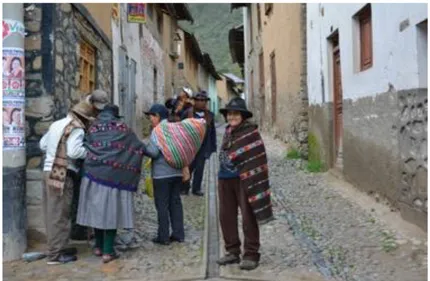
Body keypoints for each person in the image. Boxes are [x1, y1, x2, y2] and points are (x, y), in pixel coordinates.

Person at [77, 104, 145, 263]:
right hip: (114, 178)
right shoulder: (123, 129)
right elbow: (137, 146)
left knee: (97, 211)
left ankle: (98, 247)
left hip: (92, 175)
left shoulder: (92, 128)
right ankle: (108, 251)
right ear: (116, 115)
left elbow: (86, 145)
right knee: (111, 213)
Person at [216, 97, 274, 271]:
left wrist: (250, 176)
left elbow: (257, 158)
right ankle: (232, 251)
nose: (232, 117)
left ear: (242, 116)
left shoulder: (250, 133)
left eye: (235, 114)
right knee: (226, 216)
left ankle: (251, 254)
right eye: (229, 114)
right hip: (225, 178)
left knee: (248, 216)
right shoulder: (227, 132)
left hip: (244, 180)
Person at [39, 100, 98, 265]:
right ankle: (55, 255)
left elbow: (42, 144)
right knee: (60, 214)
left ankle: (59, 247)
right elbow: (74, 151)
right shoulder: (77, 128)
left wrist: (53, 153)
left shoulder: (56, 124)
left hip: (47, 169)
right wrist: (90, 152)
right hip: (63, 172)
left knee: (52, 212)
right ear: (84, 118)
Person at [70, 89, 110, 241]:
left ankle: (84, 229)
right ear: (92, 102)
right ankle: (79, 230)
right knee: (80, 197)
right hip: (82, 155)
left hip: (86, 153)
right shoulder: (82, 110)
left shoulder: (94, 108)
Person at [144, 104, 185, 245]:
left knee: (162, 205)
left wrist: (144, 149)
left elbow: (154, 153)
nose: (150, 119)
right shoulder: (175, 128)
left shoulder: (158, 130)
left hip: (161, 174)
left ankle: (164, 236)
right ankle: (179, 234)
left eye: (151, 116)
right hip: (177, 172)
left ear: (157, 116)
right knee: (175, 203)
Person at [181, 91, 216, 196]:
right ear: (194, 101)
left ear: (206, 102)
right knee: (188, 168)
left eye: (203, 100)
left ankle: (196, 189)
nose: (201, 102)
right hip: (189, 147)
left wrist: (212, 147)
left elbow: (212, 132)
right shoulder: (187, 113)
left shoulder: (209, 115)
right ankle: (184, 188)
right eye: (198, 100)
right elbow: (180, 128)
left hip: (203, 146)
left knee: (200, 168)